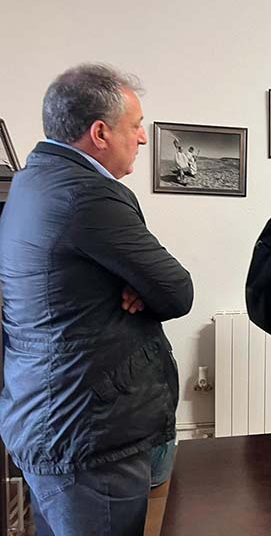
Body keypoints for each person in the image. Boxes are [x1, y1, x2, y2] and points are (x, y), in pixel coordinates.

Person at [0, 64, 194, 536]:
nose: (143, 138)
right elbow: (176, 290)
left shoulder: (32, 179)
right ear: (101, 133)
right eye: (136, 126)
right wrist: (142, 288)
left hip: (55, 413)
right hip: (87, 430)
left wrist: (139, 286)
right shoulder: (89, 195)